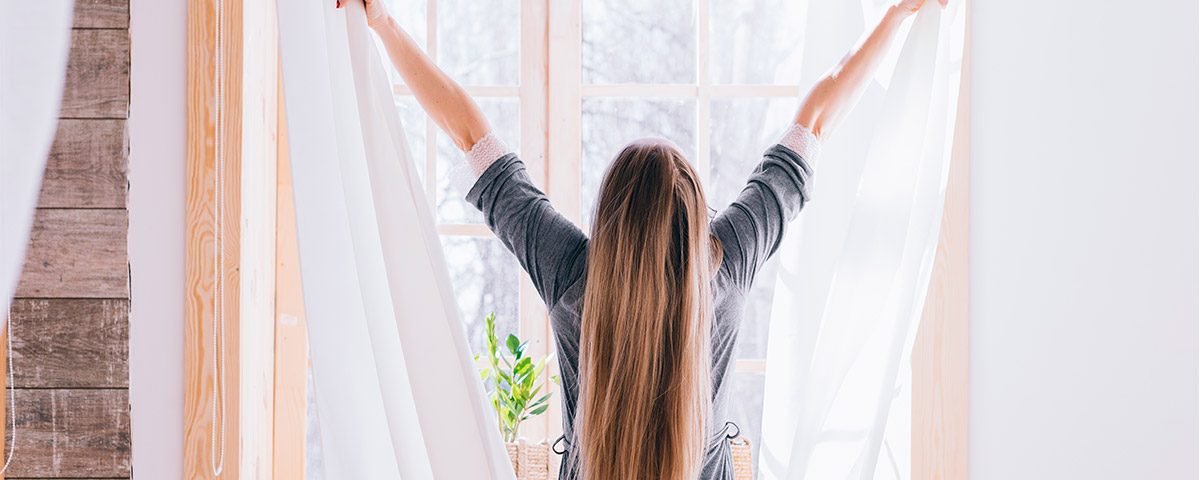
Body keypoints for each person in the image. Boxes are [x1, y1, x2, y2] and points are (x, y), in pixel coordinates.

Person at [350, 0, 945, 477]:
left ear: (610, 214)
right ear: (693, 217)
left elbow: (469, 133)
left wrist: (384, 23)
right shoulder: (726, 261)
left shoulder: (571, 271)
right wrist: (897, 16)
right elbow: (816, 118)